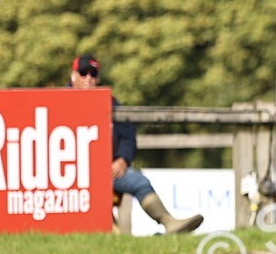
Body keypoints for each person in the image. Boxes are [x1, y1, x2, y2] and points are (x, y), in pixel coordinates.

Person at [69, 55, 204, 235]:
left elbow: (128, 137)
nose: (88, 79)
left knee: (138, 180)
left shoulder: (110, 102)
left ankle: (169, 222)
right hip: (70, 175)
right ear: (73, 76)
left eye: (93, 74)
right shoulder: (58, 100)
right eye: (83, 73)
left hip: (109, 171)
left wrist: (123, 159)